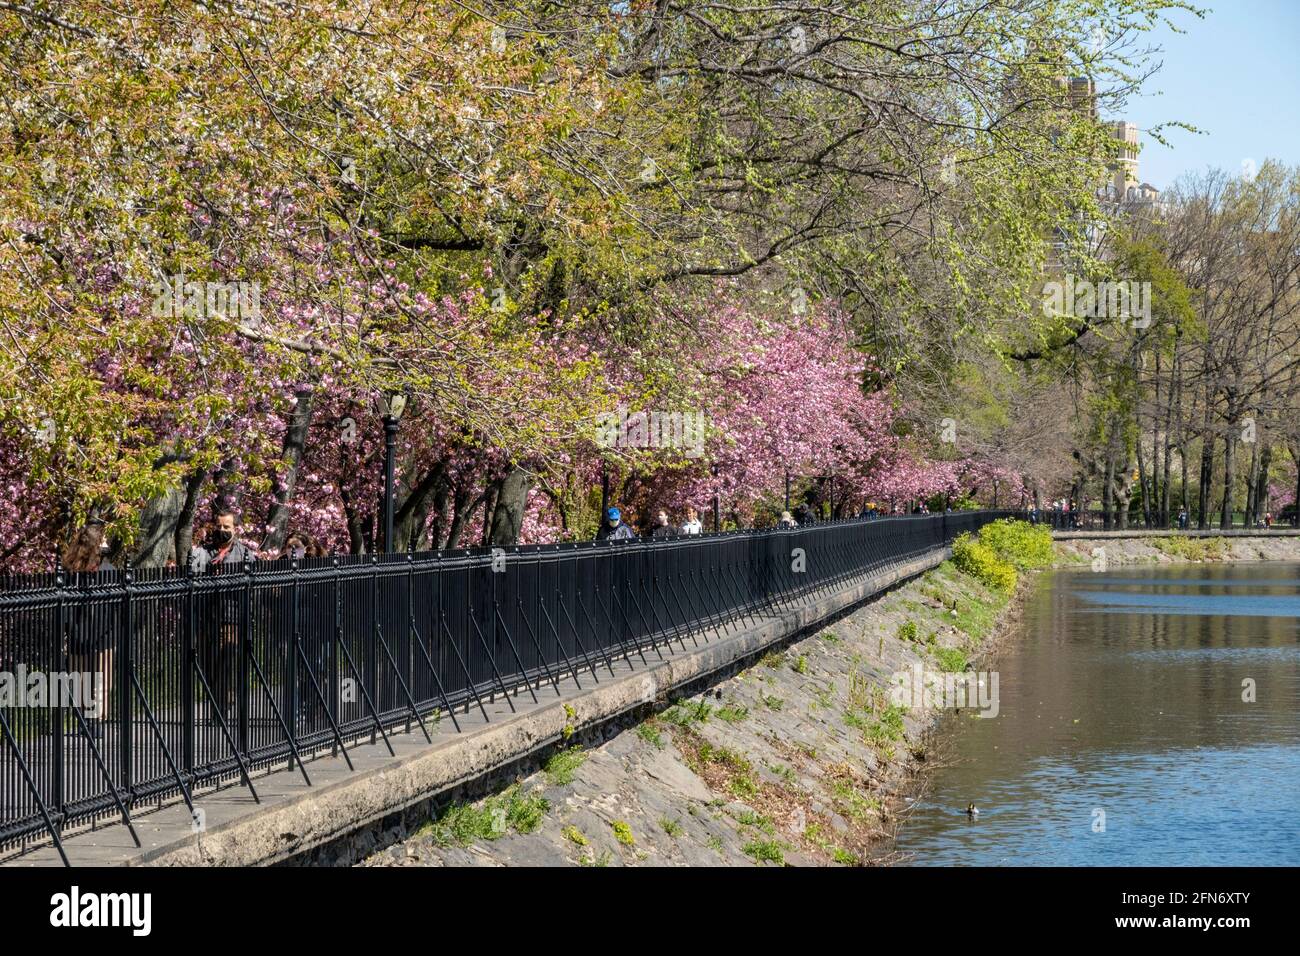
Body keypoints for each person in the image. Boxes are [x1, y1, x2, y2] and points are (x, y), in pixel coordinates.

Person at [201, 509, 257, 718]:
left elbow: (251, 585)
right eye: (219, 526)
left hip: (232, 616)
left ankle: (222, 705)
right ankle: (220, 697)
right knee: (208, 663)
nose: (222, 530)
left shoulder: (244, 554)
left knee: (225, 661)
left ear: (235, 529)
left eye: (227, 527)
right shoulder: (204, 552)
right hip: (208, 616)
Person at [62, 521, 116, 736]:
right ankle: (89, 718)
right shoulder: (72, 572)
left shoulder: (107, 570)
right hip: (82, 632)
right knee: (86, 678)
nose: (105, 544)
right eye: (102, 539)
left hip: (101, 632)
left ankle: (95, 719)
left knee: (98, 679)